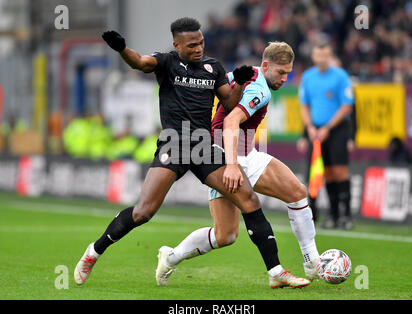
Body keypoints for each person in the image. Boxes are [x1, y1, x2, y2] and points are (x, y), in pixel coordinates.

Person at [73, 18, 299, 289]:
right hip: (174, 144)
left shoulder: (212, 67)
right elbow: (139, 63)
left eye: (201, 42)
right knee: (143, 212)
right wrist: (122, 49)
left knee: (248, 197)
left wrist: (238, 84)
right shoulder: (166, 62)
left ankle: (275, 272)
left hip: (203, 146)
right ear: (176, 44)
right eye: (192, 45)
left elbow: (228, 102)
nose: (198, 48)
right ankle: (93, 253)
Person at [156, 42, 315, 288]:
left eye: (289, 73)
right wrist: (230, 165)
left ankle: (312, 263)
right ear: (265, 65)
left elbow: (218, 93)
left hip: (246, 154)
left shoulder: (245, 74)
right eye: (281, 72)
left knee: (296, 193)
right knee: (226, 234)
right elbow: (231, 122)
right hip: (224, 156)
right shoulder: (259, 91)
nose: (285, 78)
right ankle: (172, 256)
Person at [299, 42, 354, 230]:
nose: (321, 59)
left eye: (325, 56)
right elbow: (304, 105)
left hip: (336, 130)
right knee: (325, 173)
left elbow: (347, 106)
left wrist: (328, 127)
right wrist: (309, 128)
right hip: (316, 131)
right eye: (318, 55)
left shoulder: (340, 76)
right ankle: (333, 215)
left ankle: (346, 215)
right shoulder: (308, 77)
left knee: (339, 171)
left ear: (329, 56)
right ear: (314, 57)